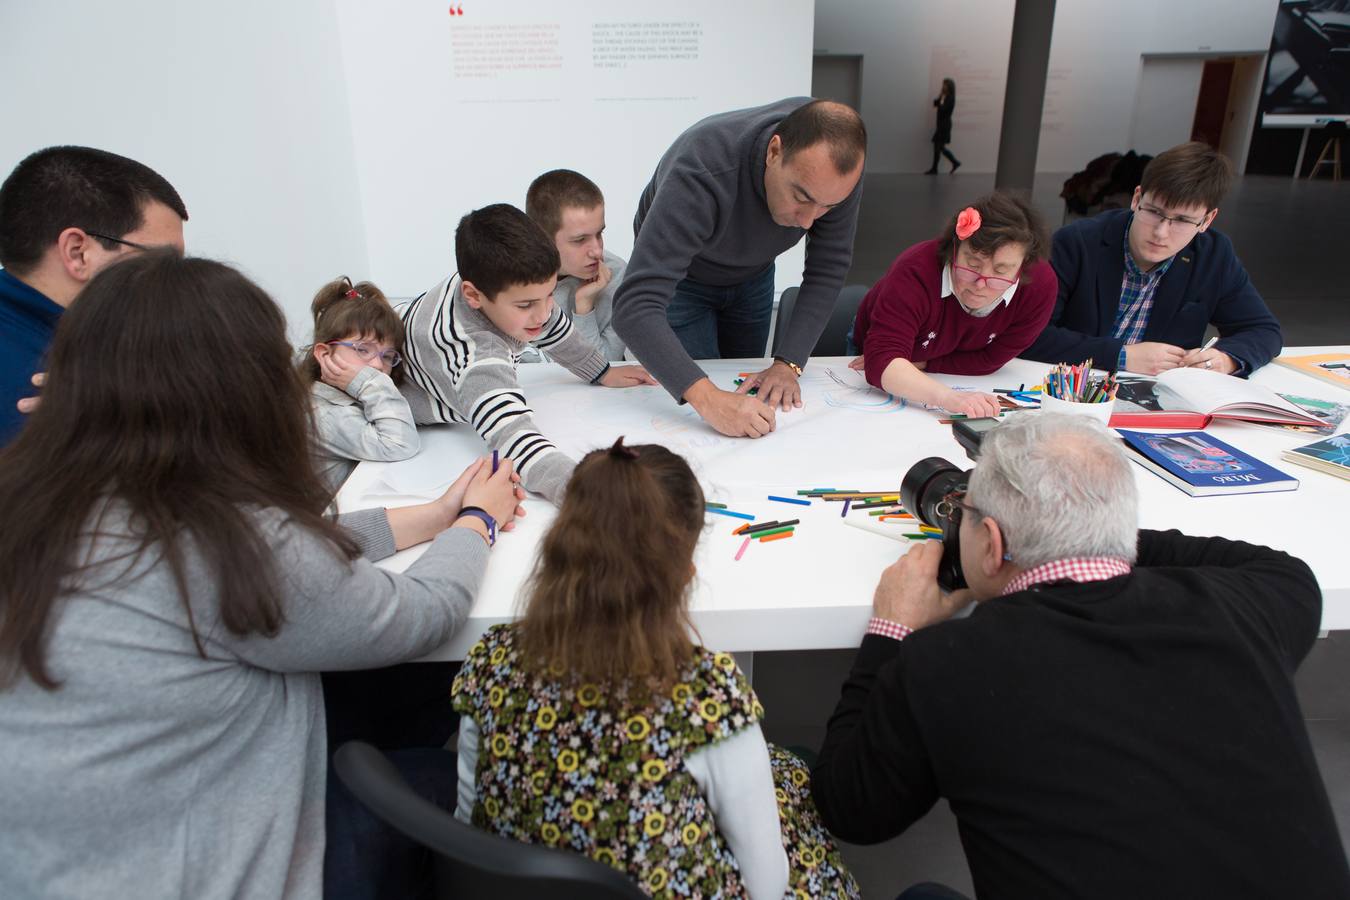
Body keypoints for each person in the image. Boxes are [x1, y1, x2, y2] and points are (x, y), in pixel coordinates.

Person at [0, 251, 525, 900]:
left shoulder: (40, 495)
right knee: (453, 764)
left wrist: (432, 515)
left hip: (60, 860)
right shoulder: (220, 528)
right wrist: (478, 520)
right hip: (213, 874)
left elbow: (293, 562)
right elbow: (419, 613)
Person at [810, 414, 1350, 899]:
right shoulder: (1244, 607)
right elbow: (1282, 569)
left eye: (965, 512)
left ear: (993, 544)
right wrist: (1086, 530)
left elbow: (850, 808)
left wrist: (891, 629)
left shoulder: (947, 662)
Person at [452, 439, 859, 899]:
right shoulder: (706, 699)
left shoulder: (491, 659)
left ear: (562, 545)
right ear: (684, 569)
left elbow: (471, 822)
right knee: (788, 780)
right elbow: (767, 886)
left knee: (779, 770)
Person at [613, 98, 867, 438]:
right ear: (774, 152)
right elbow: (634, 307)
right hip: (684, 281)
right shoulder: (702, 169)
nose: (807, 221)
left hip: (754, 275)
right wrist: (708, 400)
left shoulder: (834, 176)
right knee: (706, 412)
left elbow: (828, 267)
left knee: (741, 391)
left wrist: (788, 363)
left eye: (827, 207)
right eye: (801, 197)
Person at [399, 203, 655, 504]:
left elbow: (555, 328)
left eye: (549, 295)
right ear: (473, 295)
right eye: (525, 305)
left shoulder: (494, 280)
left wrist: (601, 370)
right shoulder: (475, 354)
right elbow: (515, 440)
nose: (544, 313)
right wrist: (583, 493)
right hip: (396, 394)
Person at [1023, 141, 1282, 377]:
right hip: (1068, 388)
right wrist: (1120, 355)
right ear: (1137, 199)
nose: (1161, 232)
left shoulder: (1214, 255)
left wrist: (1225, 360)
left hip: (1156, 402)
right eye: (1154, 212)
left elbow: (1262, 330)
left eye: (1182, 220)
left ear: (1207, 220)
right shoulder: (1077, 243)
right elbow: (1027, 333)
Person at [0, 145, 187, 445]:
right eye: (163, 261)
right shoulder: (37, 393)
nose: (177, 281)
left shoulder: (109, 357)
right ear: (78, 253)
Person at [849, 191, 1055, 419]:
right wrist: (949, 398)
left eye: (1000, 271)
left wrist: (926, 362)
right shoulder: (915, 270)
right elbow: (882, 362)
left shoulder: (1039, 286)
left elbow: (991, 359)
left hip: (927, 368)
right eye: (973, 265)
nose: (980, 284)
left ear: (1024, 265)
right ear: (954, 248)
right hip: (876, 356)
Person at [303, 276, 419, 492]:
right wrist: (370, 383)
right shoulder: (323, 414)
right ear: (324, 354)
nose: (376, 365)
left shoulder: (346, 397)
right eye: (362, 350)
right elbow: (399, 444)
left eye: (387, 356)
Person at [525, 169, 627, 360]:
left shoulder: (617, 274)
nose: (597, 251)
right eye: (580, 240)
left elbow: (607, 368)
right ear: (542, 239)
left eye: (599, 234)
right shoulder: (506, 274)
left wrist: (585, 308)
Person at [924, 78, 960, 175]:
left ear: (949, 87)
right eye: (943, 84)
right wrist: (940, 96)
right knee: (939, 147)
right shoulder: (945, 96)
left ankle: (936, 168)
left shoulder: (950, 98)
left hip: (945, 125)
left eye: (945, 84)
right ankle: (954, 163)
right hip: (941, 125)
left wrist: (942, 99)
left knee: (938, 146)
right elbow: (935, 104)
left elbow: (943, 108)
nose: (943, 86)